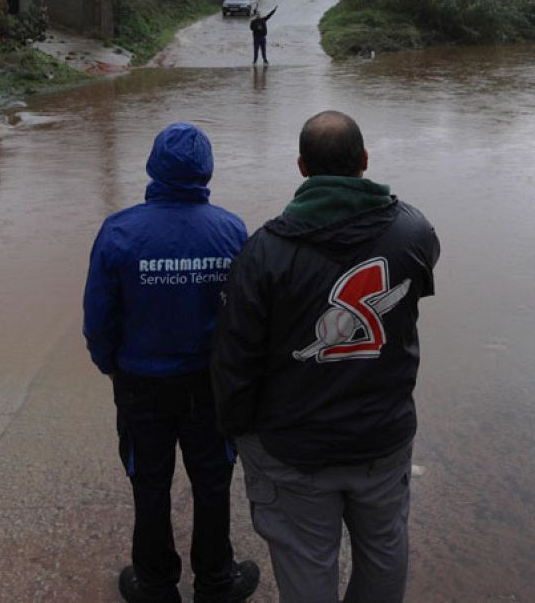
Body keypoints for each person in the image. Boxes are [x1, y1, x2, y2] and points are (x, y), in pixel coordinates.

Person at [212, 111, 440, 603]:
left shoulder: (262, 253)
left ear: (300, 167)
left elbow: (236, 364)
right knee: (384, 551)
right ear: (364, 160)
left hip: (294, 448)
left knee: (306, 564)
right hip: (382, 437)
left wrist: (239, 432)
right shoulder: (413, 232)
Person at [84, 122, 262, 603]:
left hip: (142, 383)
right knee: (212, 480)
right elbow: (243, 316)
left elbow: (98, 317)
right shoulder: (230, 229)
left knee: (149, 481)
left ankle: (156, 584)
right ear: (206, 170)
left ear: (154, 166)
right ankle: (216, 582)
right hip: (209, 385)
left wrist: (111, 365)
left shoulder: (120, 230)